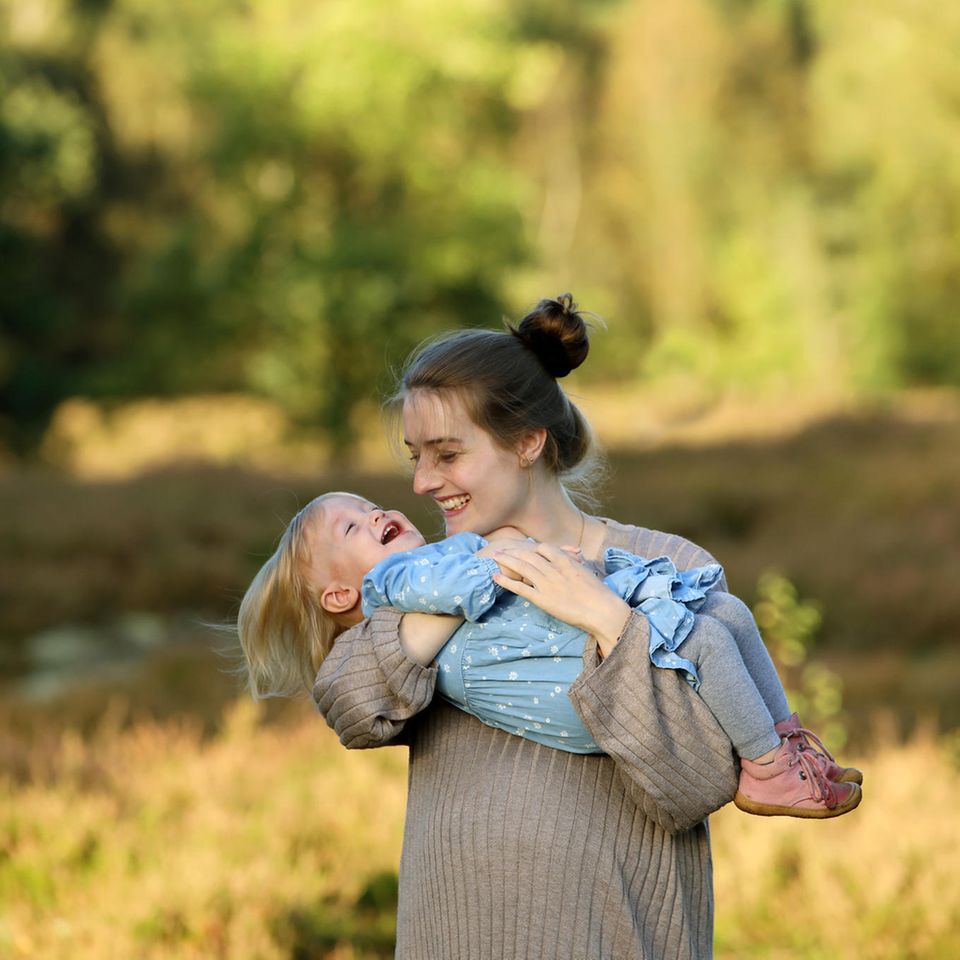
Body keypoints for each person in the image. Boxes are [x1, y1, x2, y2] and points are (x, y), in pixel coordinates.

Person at [308, 294, 860, 959]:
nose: (422, 483)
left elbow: (696, 779)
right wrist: (448, 609)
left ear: (527, 442)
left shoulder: (669, 569)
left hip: (616, 938)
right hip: (452, 939)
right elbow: (349, 701)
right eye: (414, 457)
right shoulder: (433, 575)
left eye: (447, 455)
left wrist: (605, 617)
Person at [239, 491, 861, 819]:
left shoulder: (421, 566)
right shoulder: (396, 582)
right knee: (708, 639)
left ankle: (784, 744)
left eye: (370, 507)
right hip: (572, 686)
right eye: (351, 527)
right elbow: (473, 587)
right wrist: (498, 549)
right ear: (343, 593)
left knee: (730, 613)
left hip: (575, 650)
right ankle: (768, 771)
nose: (381, 513)